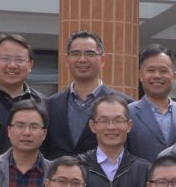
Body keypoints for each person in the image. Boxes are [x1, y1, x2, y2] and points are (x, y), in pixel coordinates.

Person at [44, 30, 125, 159]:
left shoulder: (124, 104)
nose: (82, 59)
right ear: (67, 60)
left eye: (90, 54)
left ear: (102, 60)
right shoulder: (49, 105)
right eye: (75, 54)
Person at [80, 94, 150, 187]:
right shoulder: (79, 168)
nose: (111, 127)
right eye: (104, 121)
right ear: (92, 126)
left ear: (129, 125)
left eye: (118, 120)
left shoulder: (145, 171)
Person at [126, 44, 176, 161]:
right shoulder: (128, 113)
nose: (157, 76)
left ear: (174, 76)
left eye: (163, 71)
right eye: (151, 70)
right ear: (140, 75)